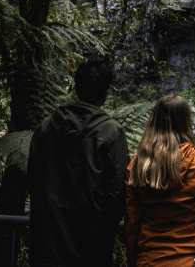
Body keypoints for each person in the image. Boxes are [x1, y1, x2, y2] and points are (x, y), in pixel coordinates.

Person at [27, 54, 128, 267]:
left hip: (46, 243)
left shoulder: (45, 127)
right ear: (105, 94)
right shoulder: (111, 133)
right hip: (91, 247)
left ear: (75, 87)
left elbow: (33, 180)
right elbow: (117, 193)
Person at [125, 95, 195, 267]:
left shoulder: (137, 167)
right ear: (186, 122)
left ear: (154, 122)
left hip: (150, 260)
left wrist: (134, 261)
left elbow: (132, 225)